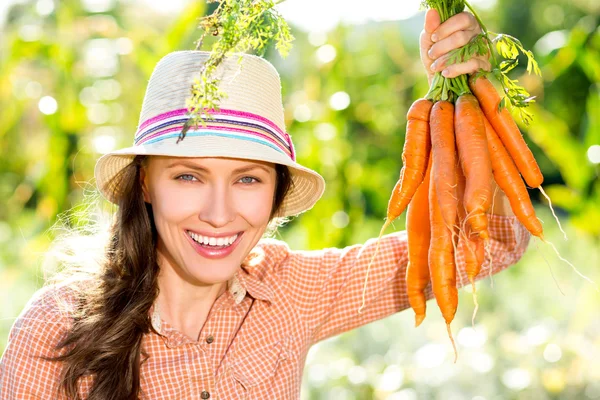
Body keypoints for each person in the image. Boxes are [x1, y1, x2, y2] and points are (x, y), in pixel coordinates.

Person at [0, 9, 528, 400]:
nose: (219, 212)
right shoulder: (57, 329)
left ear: (275, 195)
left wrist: (474, 98)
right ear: (144, 184)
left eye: (248, 180)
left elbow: (492, 241)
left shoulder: (291, 292)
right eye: (188, 176)